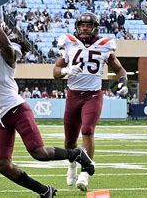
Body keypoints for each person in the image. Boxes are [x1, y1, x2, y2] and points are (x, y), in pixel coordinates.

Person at [0, 4, 94, 198]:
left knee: (39, 153)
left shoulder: (7, 53)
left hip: (16, 108)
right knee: (2, 164)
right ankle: (44, 191)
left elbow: (6, 49)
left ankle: (76, 154)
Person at [52, 12, 127, 192]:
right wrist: (67, 71)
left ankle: (85, 172)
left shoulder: (104, 45)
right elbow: (55, 71)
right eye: (81, 25)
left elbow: (119, 69)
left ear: (94, 27)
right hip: (73, 95)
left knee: (87, 130)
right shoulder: (69, 43)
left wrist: (123, 84)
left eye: (87, 25)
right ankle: (71, 166)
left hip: (93, 95)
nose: (84, 28)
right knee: (70, 140)